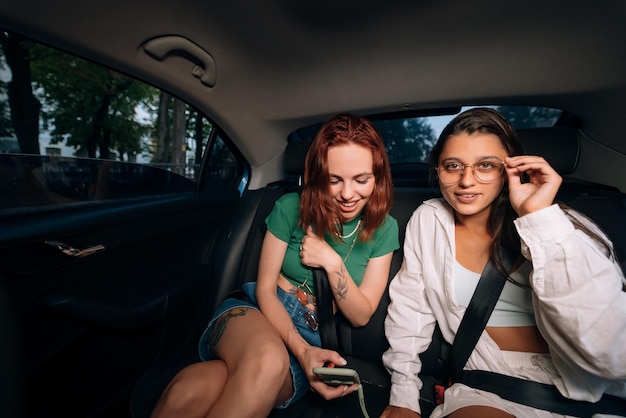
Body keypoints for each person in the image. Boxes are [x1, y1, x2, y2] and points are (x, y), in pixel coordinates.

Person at [381, 108, 626, 418]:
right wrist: (403, 394)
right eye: (452, 165)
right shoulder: (430, 220)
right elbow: (410, 310)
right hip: (489, 382)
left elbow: (610, 353)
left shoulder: (561, 228)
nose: (466, 180)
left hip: (591, 390)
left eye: (486, 165)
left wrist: (538, 217)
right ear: (437, 169)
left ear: (512, 169)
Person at [151, 113, 399, 418]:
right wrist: (303, 351)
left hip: (315, 335)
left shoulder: (385, 229)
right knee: (266, 361)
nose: (348, 194)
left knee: (189, 391)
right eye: (335, 180)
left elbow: (361, 316)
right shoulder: (289, 207)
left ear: (378, 177)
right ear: (319, 177)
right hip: (259, 312)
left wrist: (332, 263)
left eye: (361, 180)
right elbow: (265, 289)